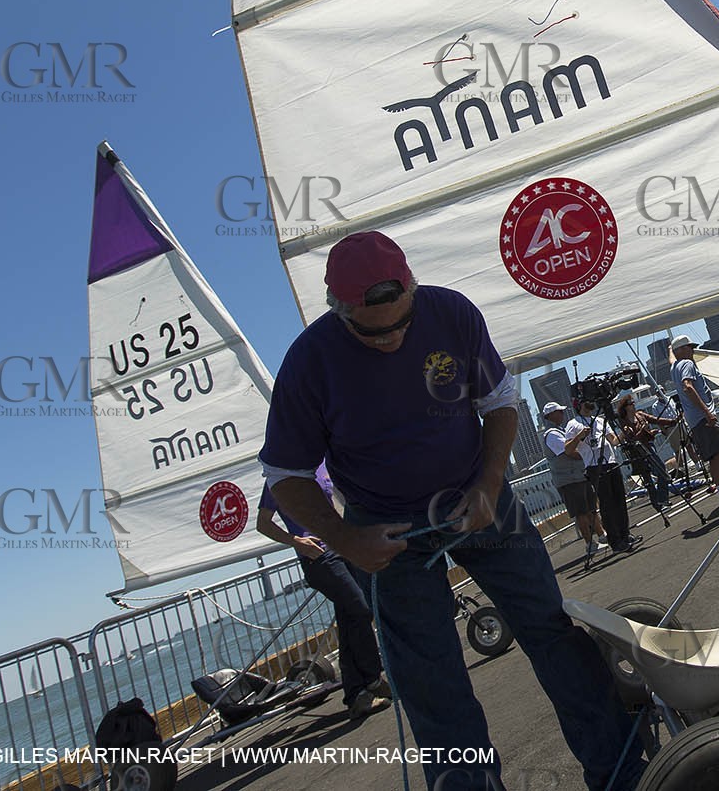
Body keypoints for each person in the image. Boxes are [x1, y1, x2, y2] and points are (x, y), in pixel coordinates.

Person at [259, 231, 642, 791]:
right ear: (338, 311)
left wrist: (489, 485)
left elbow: (501, 401)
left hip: (478, 492)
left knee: (551, 629)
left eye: (402, 324)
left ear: (413, 288)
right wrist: (346, 541)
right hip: (381, 524)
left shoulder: (451, 312)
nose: (391, 339)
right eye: (374, 331)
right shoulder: (308, 362)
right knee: (429, 680)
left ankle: (621, 773)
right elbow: (286, 477)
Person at [255, 464, 392, 720]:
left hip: (343, 546)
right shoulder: (281, 474)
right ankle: (372, 679)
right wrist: (296, 542)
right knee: (359, 609)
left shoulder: (322, 464)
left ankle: (357, 693)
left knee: (350, 616)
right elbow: (263, 524)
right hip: (317, 557)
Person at [670, 335, 719, 521]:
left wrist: (671, 349)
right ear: (682, 350)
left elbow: (672, 357)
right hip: (704, 419)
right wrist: (707, 413)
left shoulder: (674, 366)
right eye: (689, 347)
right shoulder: (686, 364)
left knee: (713, 459)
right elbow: (688, 387)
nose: (693, 350)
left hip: (694, 422)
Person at [541, 401, 603, 555]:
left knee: (591, 508)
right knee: (581, 512)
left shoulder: (560, 431)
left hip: (579, 476)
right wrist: (588, 455)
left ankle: (602, 536)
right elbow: (568, 452)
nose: (562, 414)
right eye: (559, 412)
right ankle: (590, 543)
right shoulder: (552, 434)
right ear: (551, 415)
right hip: (569, 480)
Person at [577, 403, 636, 553]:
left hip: (611, 462)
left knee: (619, 500)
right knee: (607, 504)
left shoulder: (601, 420)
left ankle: (625, 534)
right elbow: (568, 448)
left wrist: (623, 433)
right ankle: (615, 541)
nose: (592, 402)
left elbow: (613, 441)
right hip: (594, 467)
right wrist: (579, 436)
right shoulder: (574, 423)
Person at [614, 392, 677, 514]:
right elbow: (631, 438)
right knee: (648, 478)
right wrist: (645, 431)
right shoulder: (623, 422)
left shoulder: (640, 415)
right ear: (626, 407)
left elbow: (656, 420)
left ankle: (662, 500)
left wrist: (672, 421)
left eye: (633, 403)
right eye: (631, 403)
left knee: (661, 470)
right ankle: (658, 503)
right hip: (637, 452)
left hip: (648, 447)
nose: (633, 405)